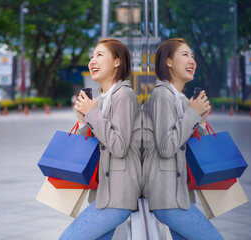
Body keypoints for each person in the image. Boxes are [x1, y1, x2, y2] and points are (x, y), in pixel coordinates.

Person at [59, 39, 141, 240]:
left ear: (116, 62)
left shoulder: (124, 95)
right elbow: (93, 144)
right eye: (91, 57)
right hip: (106, 194)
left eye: (99, 55)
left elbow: (119, 146)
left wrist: (93, 114)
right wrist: (83, 121)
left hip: (117, 197)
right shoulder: (104, 98)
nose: (92, 61)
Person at [142, 38, 224, 240]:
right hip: (167, 198)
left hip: (178, 196)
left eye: (193, 56)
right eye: (185, 55)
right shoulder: (162, 96)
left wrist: (201, 121)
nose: (192, 61)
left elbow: (196, 145)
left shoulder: (182, 100)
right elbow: (166, 146)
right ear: (168, 61)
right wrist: (192, 115)